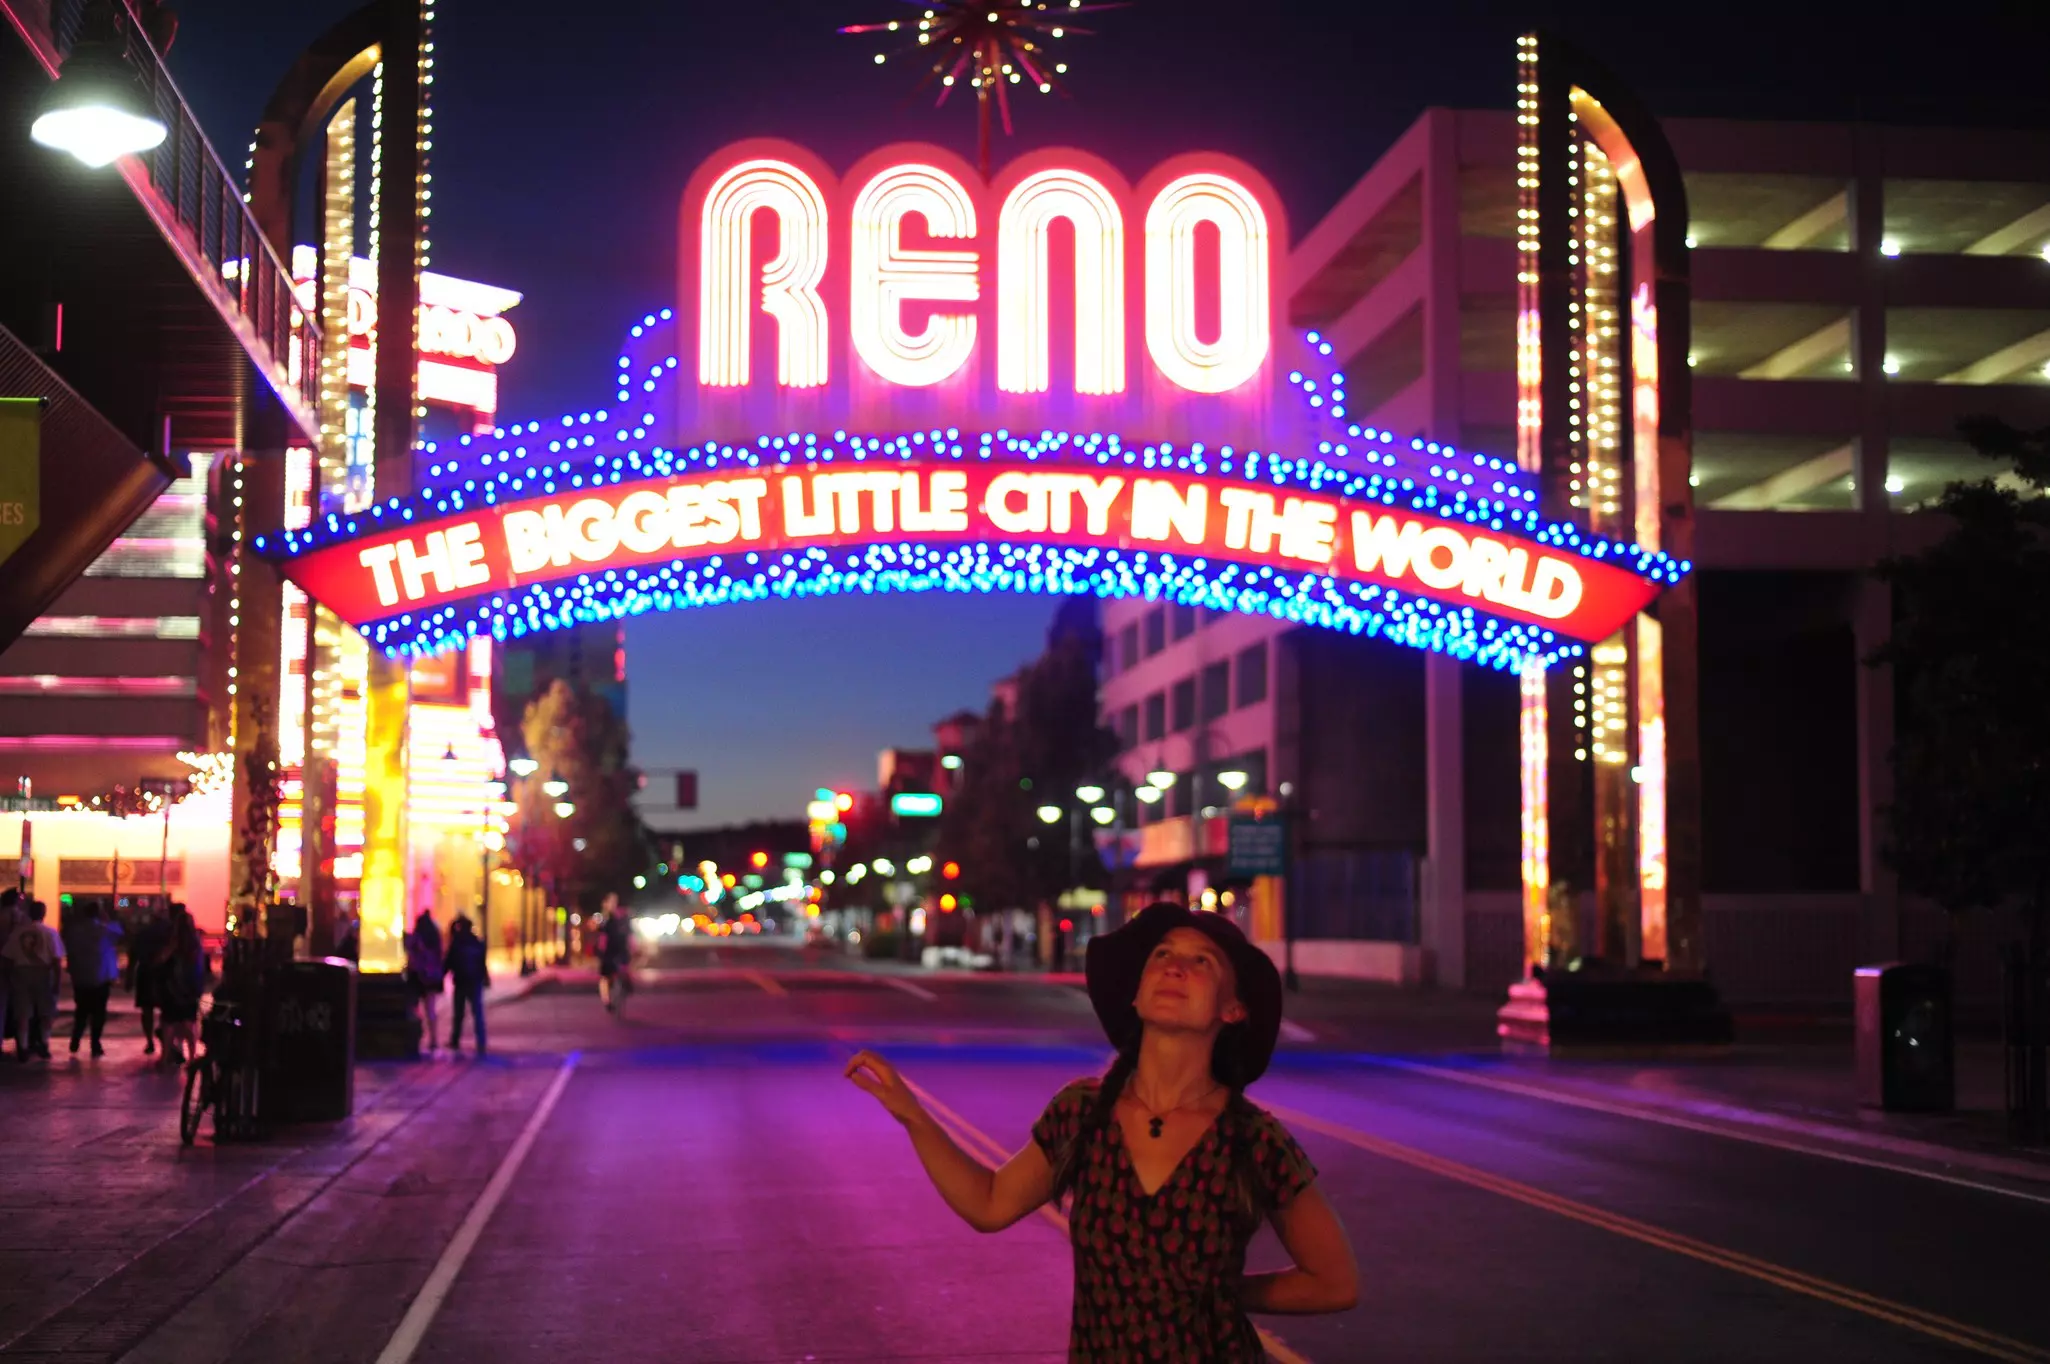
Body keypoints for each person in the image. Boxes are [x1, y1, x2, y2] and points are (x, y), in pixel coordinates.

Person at [847, 902, 1357, 1360]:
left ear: (1233, 1008)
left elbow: (1333, 1283)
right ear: (1135, 995)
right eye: (1161, 955)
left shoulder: (1253, 1140)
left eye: (1202, 961)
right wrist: (912, 1115)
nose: (1175, 966)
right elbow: (989, 1202)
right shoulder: (1083, 1113)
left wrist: (1226, 1290)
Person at [5, 899, 65, 1061]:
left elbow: (8, 959)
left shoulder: (18, 932)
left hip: (21, 974)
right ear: (43, 914)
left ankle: (23, 1047)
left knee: (23, 1013)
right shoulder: (50, 933)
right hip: (43, 974)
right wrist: (57, 981)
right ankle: (44, 1044)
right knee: (46, 1011)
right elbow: (56, 960)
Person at [62, 901, 123, 1058]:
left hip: (80, 976)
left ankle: (75, 1039)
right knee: (98, 1012)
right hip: (100, 977)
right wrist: (107, 919)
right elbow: (119, 933)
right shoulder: (103, 930)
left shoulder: (74, 931)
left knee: (81, 1010)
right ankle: (95, 1043)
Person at [153, 907, 208, 1065]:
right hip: (190, 988)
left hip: (172, 988)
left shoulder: (173, 941)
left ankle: (165, 1056)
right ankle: (191, 1056)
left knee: (169, 1022)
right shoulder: (195, 944)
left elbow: (160, 961)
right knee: (189, 1023)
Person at [127, 903, 171, 1055]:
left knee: (147, 1010)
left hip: (145, 972)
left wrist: (129, 976)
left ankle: (150, 1041)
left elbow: (133, 956)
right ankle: (166, 1042)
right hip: (165, 974)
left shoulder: (143, 932)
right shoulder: (170, 932)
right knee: (167, 1010)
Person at [445, 914, 490, 1056]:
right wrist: (485, 978)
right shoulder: (477, 942)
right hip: (474, 981)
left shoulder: (457, 942)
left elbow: (448, 962)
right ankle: (481, 1042)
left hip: (461, 982)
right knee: (477, 1012)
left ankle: (455, 1040)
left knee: (459, 1014)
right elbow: (482, 963)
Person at [403, 909, 446, 1055]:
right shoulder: (434, 937)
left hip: (417, 978)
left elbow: (408, 951)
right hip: (431, 978)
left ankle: (415, 1037)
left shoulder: (416, 938)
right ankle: (433, 1039)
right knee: (431, 1010)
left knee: (414, 1008)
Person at [596, 892, 633, 1011]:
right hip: (609, 951)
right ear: (605, 904)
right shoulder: (605, 918)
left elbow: (629, 934)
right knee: (605, 977)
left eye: (614, 901)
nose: (613, 904)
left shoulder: (621, 917)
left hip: (620, 949)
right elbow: (602, 936)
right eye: (611, 901)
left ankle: (625, 984)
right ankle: (607, 1001)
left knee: (623, 970)